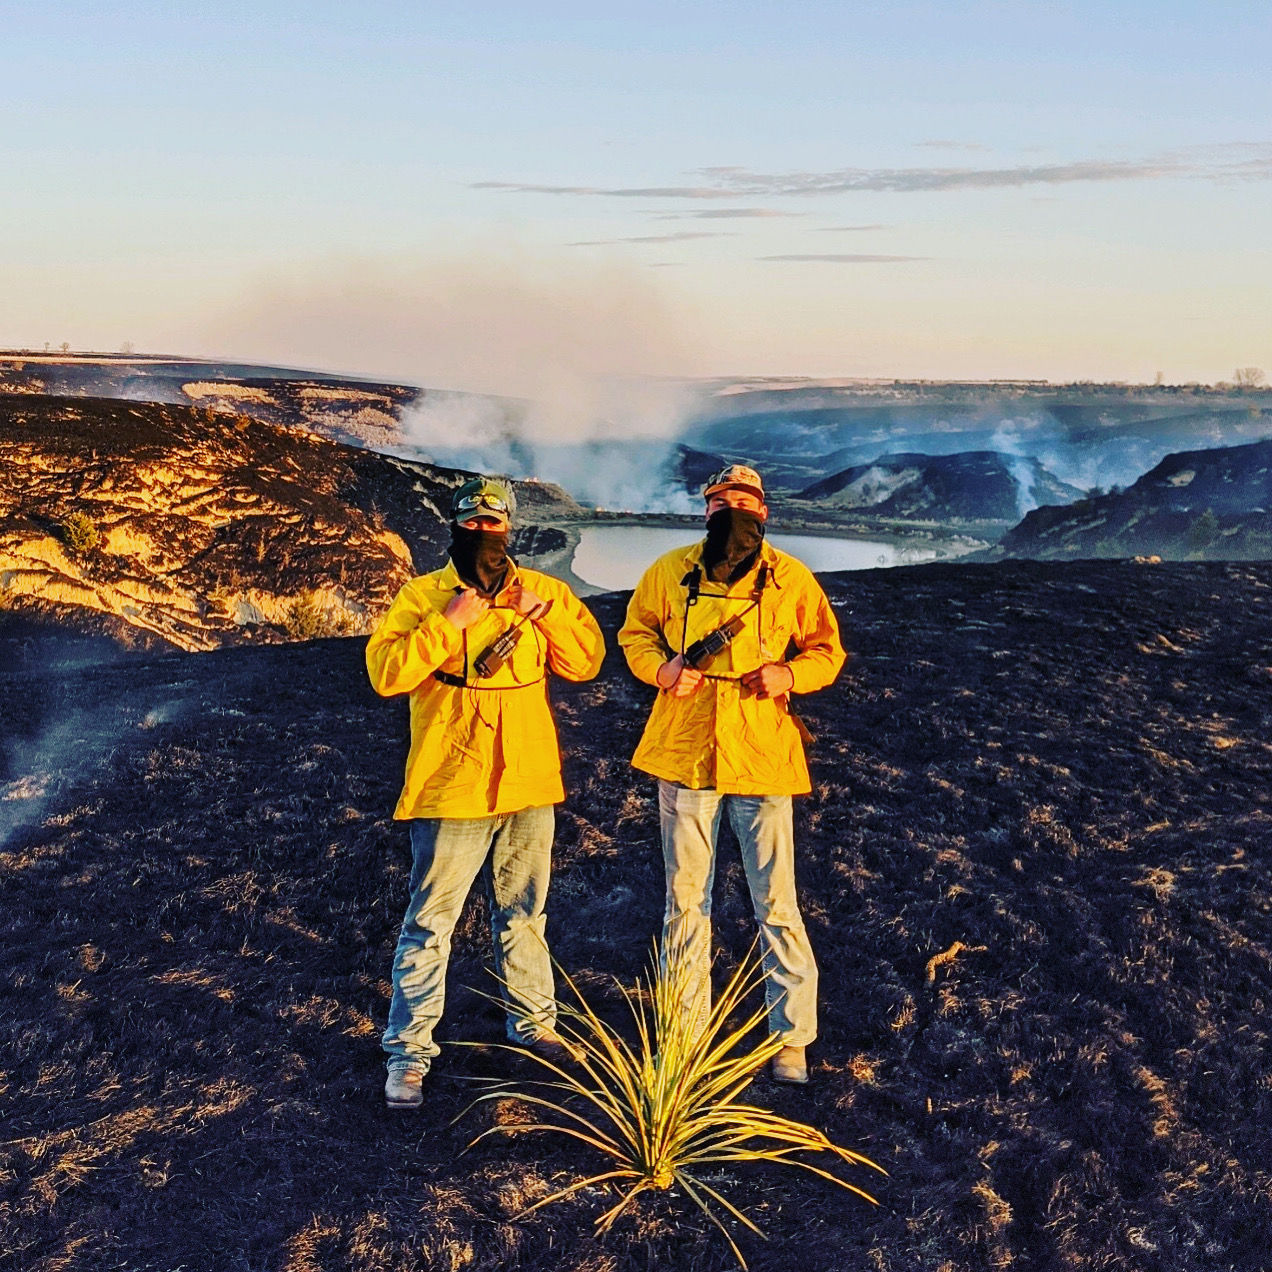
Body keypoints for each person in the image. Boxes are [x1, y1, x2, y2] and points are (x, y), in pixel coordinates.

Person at [366, 476, 605, 1109]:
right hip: (452, 784)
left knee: (525, 915)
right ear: (454, 527)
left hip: (527, 784)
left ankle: (535, 1029)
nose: (482, 536)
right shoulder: (423, 596)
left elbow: (586, 662)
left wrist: (545, 613)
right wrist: (448, 626)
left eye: (492, 526)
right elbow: (387, 675)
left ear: (509, 529)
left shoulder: (546, 593)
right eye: (470, 525)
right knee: (430, 923)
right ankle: (408, 1056)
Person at [617, 464, 846, 1084]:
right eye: (722, 502)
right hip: (686, 750)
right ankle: (683, 1034)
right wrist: (660, 670)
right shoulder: (670, 572)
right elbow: (635, 633)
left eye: (744, 501)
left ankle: (791, 1038)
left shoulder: (790, 579)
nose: (733, 511)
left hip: (762, 755)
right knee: (684, 901)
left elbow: (827, 649)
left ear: (763, 511)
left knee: (776, 901)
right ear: (707, 510)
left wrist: (790, 676)